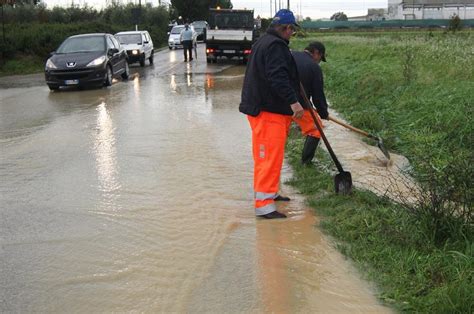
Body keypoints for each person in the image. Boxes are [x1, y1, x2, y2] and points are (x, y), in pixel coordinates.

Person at [239, 9, 304, 219]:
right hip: (267, 112)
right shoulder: (275, 46)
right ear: (286, 28)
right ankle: (264, 206)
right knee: (267, 158)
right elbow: (278, 78)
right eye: (291, 30)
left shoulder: (264, 42)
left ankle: (271, 193)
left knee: (271, 157)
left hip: (268, 110)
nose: (292, 34)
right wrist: (295, 104)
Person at [292, 41, 329, 165]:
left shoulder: (291, 55)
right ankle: (306, 163)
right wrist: (323, 113)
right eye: (320, 58)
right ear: (317, 53)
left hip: (278, 103)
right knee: (316, 130)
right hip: (299, 105)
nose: (319, 61)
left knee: (280, 132)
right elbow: (318, 96)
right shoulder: (314, 67)